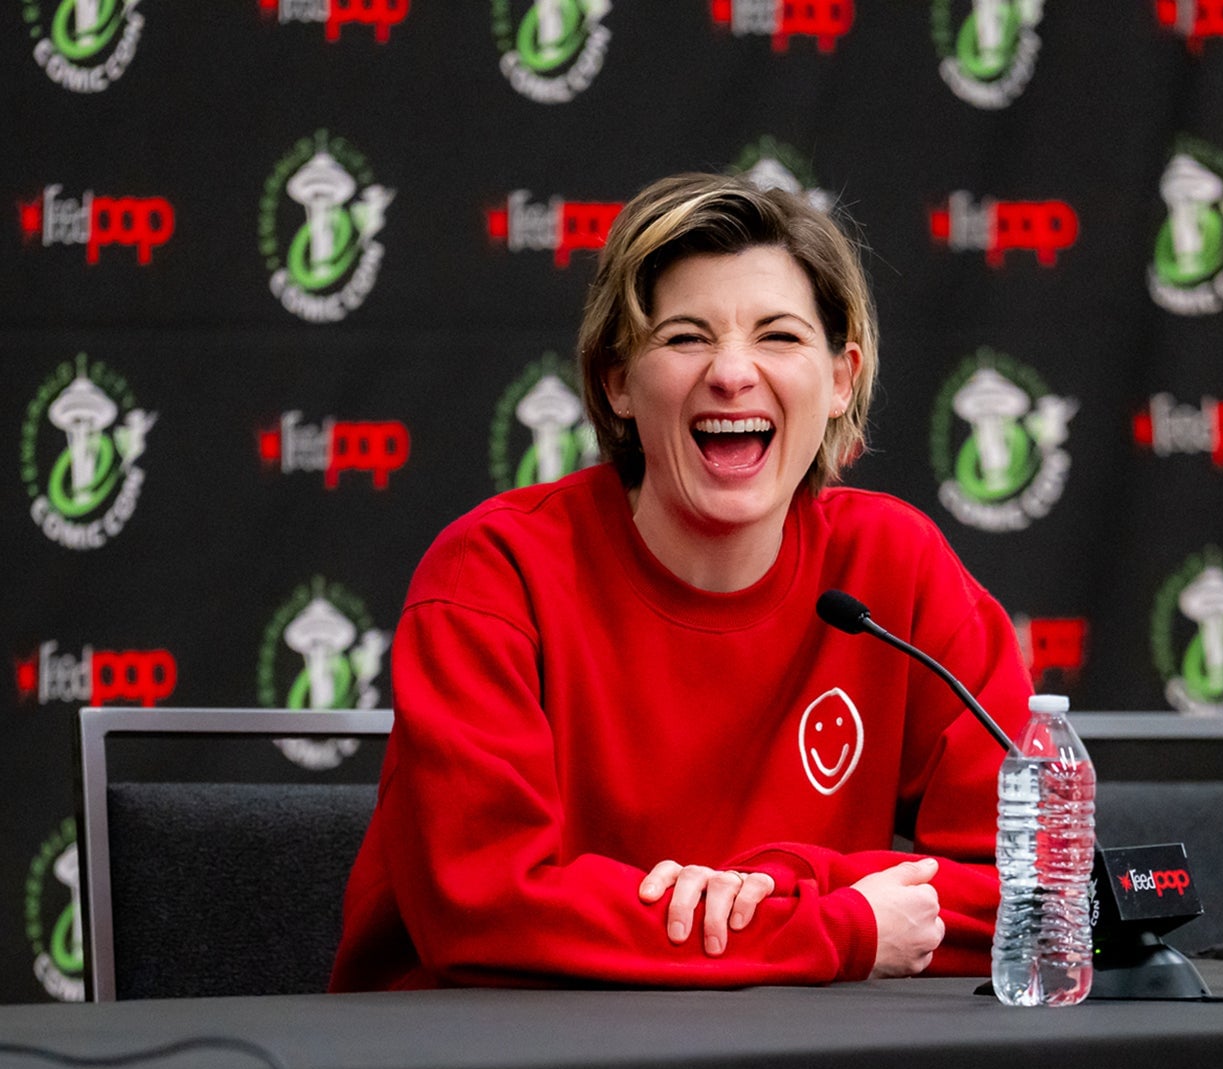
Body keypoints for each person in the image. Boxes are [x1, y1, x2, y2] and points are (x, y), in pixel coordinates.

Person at [329, 173, 1032, 990]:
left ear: (841, 378)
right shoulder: (492, 574)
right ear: (616, 382)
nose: (733, 373)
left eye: (779, 337)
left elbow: (1041, 891)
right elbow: (487, 907)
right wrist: (835, 926)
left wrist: (779, 883)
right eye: (686, 337)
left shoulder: (895, 566)